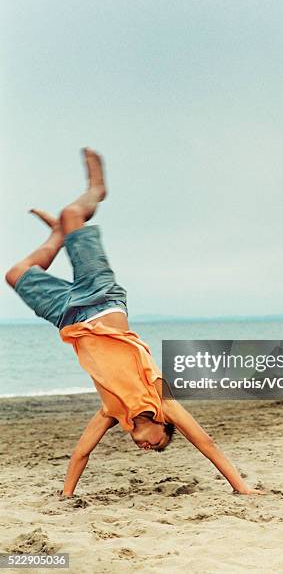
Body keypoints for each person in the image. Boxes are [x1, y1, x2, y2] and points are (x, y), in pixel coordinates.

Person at [5, 148, 263, 497]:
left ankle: (57, 236)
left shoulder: (111, 412)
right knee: (72, 213)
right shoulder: (163, 400)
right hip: (101, 298)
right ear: (165, 428)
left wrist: (66, 495)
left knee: (15, 274)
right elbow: (207, 442)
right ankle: (97, 188)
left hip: (68, 318)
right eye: (160, 446)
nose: (150, 450)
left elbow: (82, 451)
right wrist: (242, 489)